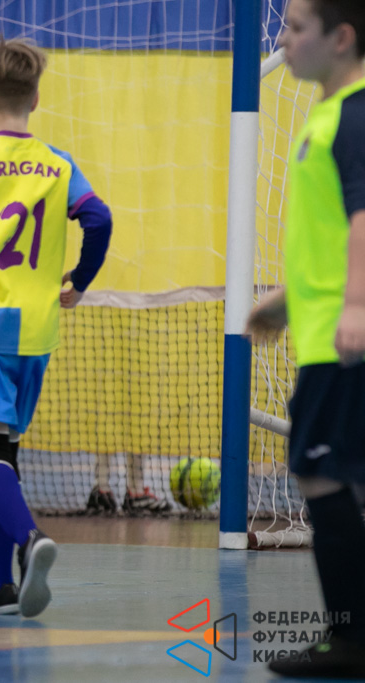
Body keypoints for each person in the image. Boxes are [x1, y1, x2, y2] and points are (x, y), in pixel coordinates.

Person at [0, 38, 112, 615]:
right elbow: (99, 218)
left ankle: (31, 541)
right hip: (37, 326)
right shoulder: (58, 164)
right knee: (5, 452)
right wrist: (80, 280)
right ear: (34, 98)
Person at [245, 0, 365, 677]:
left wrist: (357, 306)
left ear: (340, 37)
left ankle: (350, 637)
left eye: (296, 28)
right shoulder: (325, 117)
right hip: (322, 331)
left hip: (342, 342)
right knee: (337, 474)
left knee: (320, 473)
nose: (283, 39)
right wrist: (286, 301)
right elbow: (331, 233)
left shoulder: (355, 116)